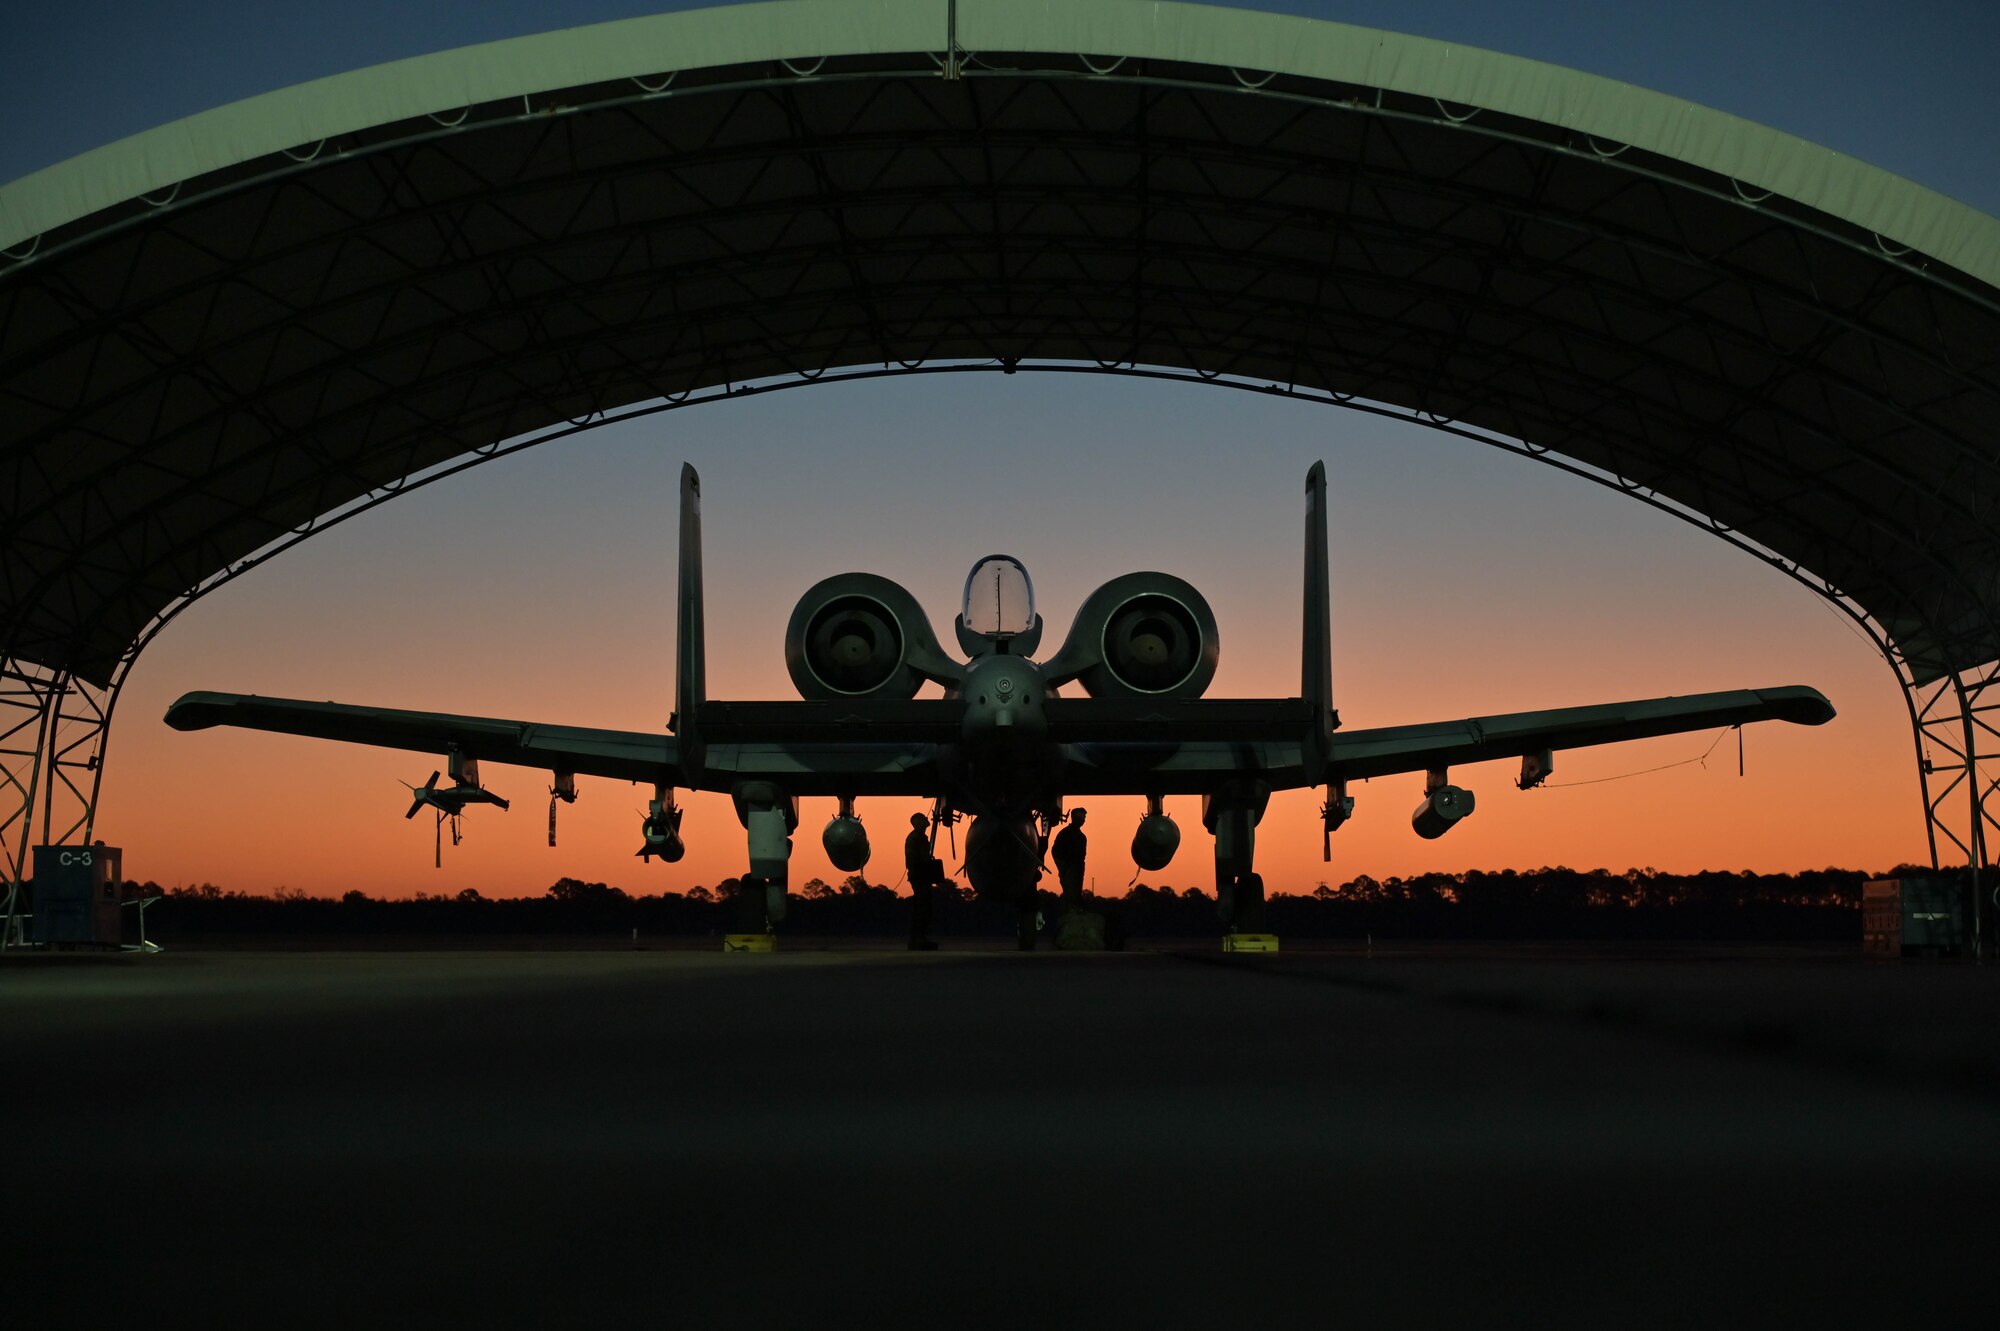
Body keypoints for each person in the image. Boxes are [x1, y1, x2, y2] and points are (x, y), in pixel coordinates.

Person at [904, 812, 939, 950]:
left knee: (922, 905)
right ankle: (918, 939)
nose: (926, 819)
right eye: (923, 818)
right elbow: (922, 858)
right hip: (920, 876)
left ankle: (918, 938)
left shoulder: (917, 837)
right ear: (918, 823)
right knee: (922, 906)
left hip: (919, 875)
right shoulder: (917, 837)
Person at [1051, 808, 1088, 906]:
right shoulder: (1065, 834)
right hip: (1068, 869)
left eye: (1084, 818)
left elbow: (1082, 856)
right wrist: (1063, 867)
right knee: (1070, 894)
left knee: (1075, 893)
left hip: (1077, 870)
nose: (1084, 820)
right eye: (1082, 817)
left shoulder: (1081, 837)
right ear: (1075, 818)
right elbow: (1055, 852)